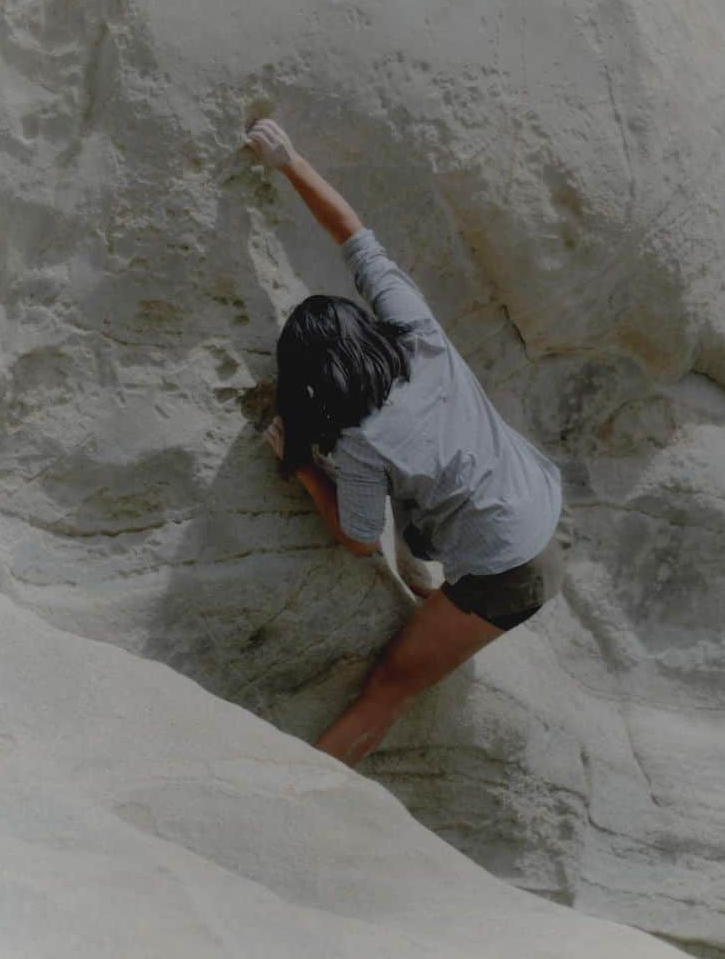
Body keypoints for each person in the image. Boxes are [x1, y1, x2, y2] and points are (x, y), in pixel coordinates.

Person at [243, 117, 568, 768]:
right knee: (429, 495)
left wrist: (302, 467)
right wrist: (289, 158)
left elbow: (361, 535)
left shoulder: (362, 442)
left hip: (514, 569)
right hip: (542, 500)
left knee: (388, 686)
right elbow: (354, 237)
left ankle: (304, 797)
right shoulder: (413, 327)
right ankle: (429, 568)